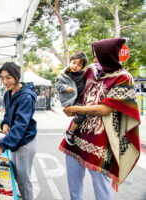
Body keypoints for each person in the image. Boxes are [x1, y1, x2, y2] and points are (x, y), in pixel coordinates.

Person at [59, 38, 140, 200]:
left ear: (108, 56)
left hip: (101, 138)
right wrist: (67, 101)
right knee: (73, 182)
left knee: (101, 187)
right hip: (76, 134)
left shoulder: (124, 77)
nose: (95, 59)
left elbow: (106, 109)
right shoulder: (90, 70)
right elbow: (75, 87)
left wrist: (76, 109)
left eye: (98, 56)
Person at [0, 62, 38, 200]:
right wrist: (4, 124)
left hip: (25, 142)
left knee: (24, 180)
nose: (5, 82)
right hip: (14, 140)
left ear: (17, 76)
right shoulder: (8, 94)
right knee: (17, 175)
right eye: (2, 78)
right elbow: (7, 116)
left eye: (8, 78)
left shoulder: (26, 97)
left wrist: (2, 145)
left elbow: (21, 125)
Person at [56, 51, 88, 145]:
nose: (75, 66)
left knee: (83, 115)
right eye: (73, 63)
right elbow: (58, 86)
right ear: (69, 62)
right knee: (81, 115)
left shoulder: (83, 74)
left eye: (79, 65)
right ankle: (70, 132)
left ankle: (76, 130)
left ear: (82, 67)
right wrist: (66, 88)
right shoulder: (64, 75)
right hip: (71, 100)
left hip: (81, 99)